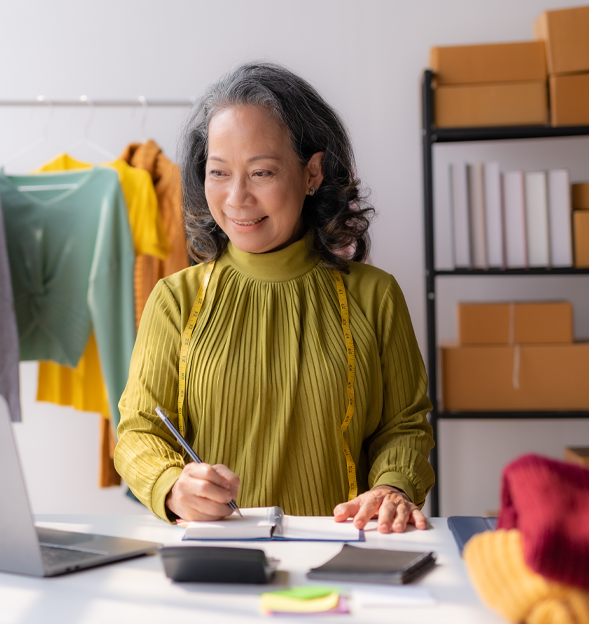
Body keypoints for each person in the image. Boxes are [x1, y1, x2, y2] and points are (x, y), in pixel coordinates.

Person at [114, 62, 435, 534]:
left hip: (344, 552)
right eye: (218, 172)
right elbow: (139, 430)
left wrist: (393, 487)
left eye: (261, 172)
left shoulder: (376, 295)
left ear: (312, 174)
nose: (236, 198)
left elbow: (405, 426)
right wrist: (170, 484)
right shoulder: (174, 299)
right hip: (216, 557)